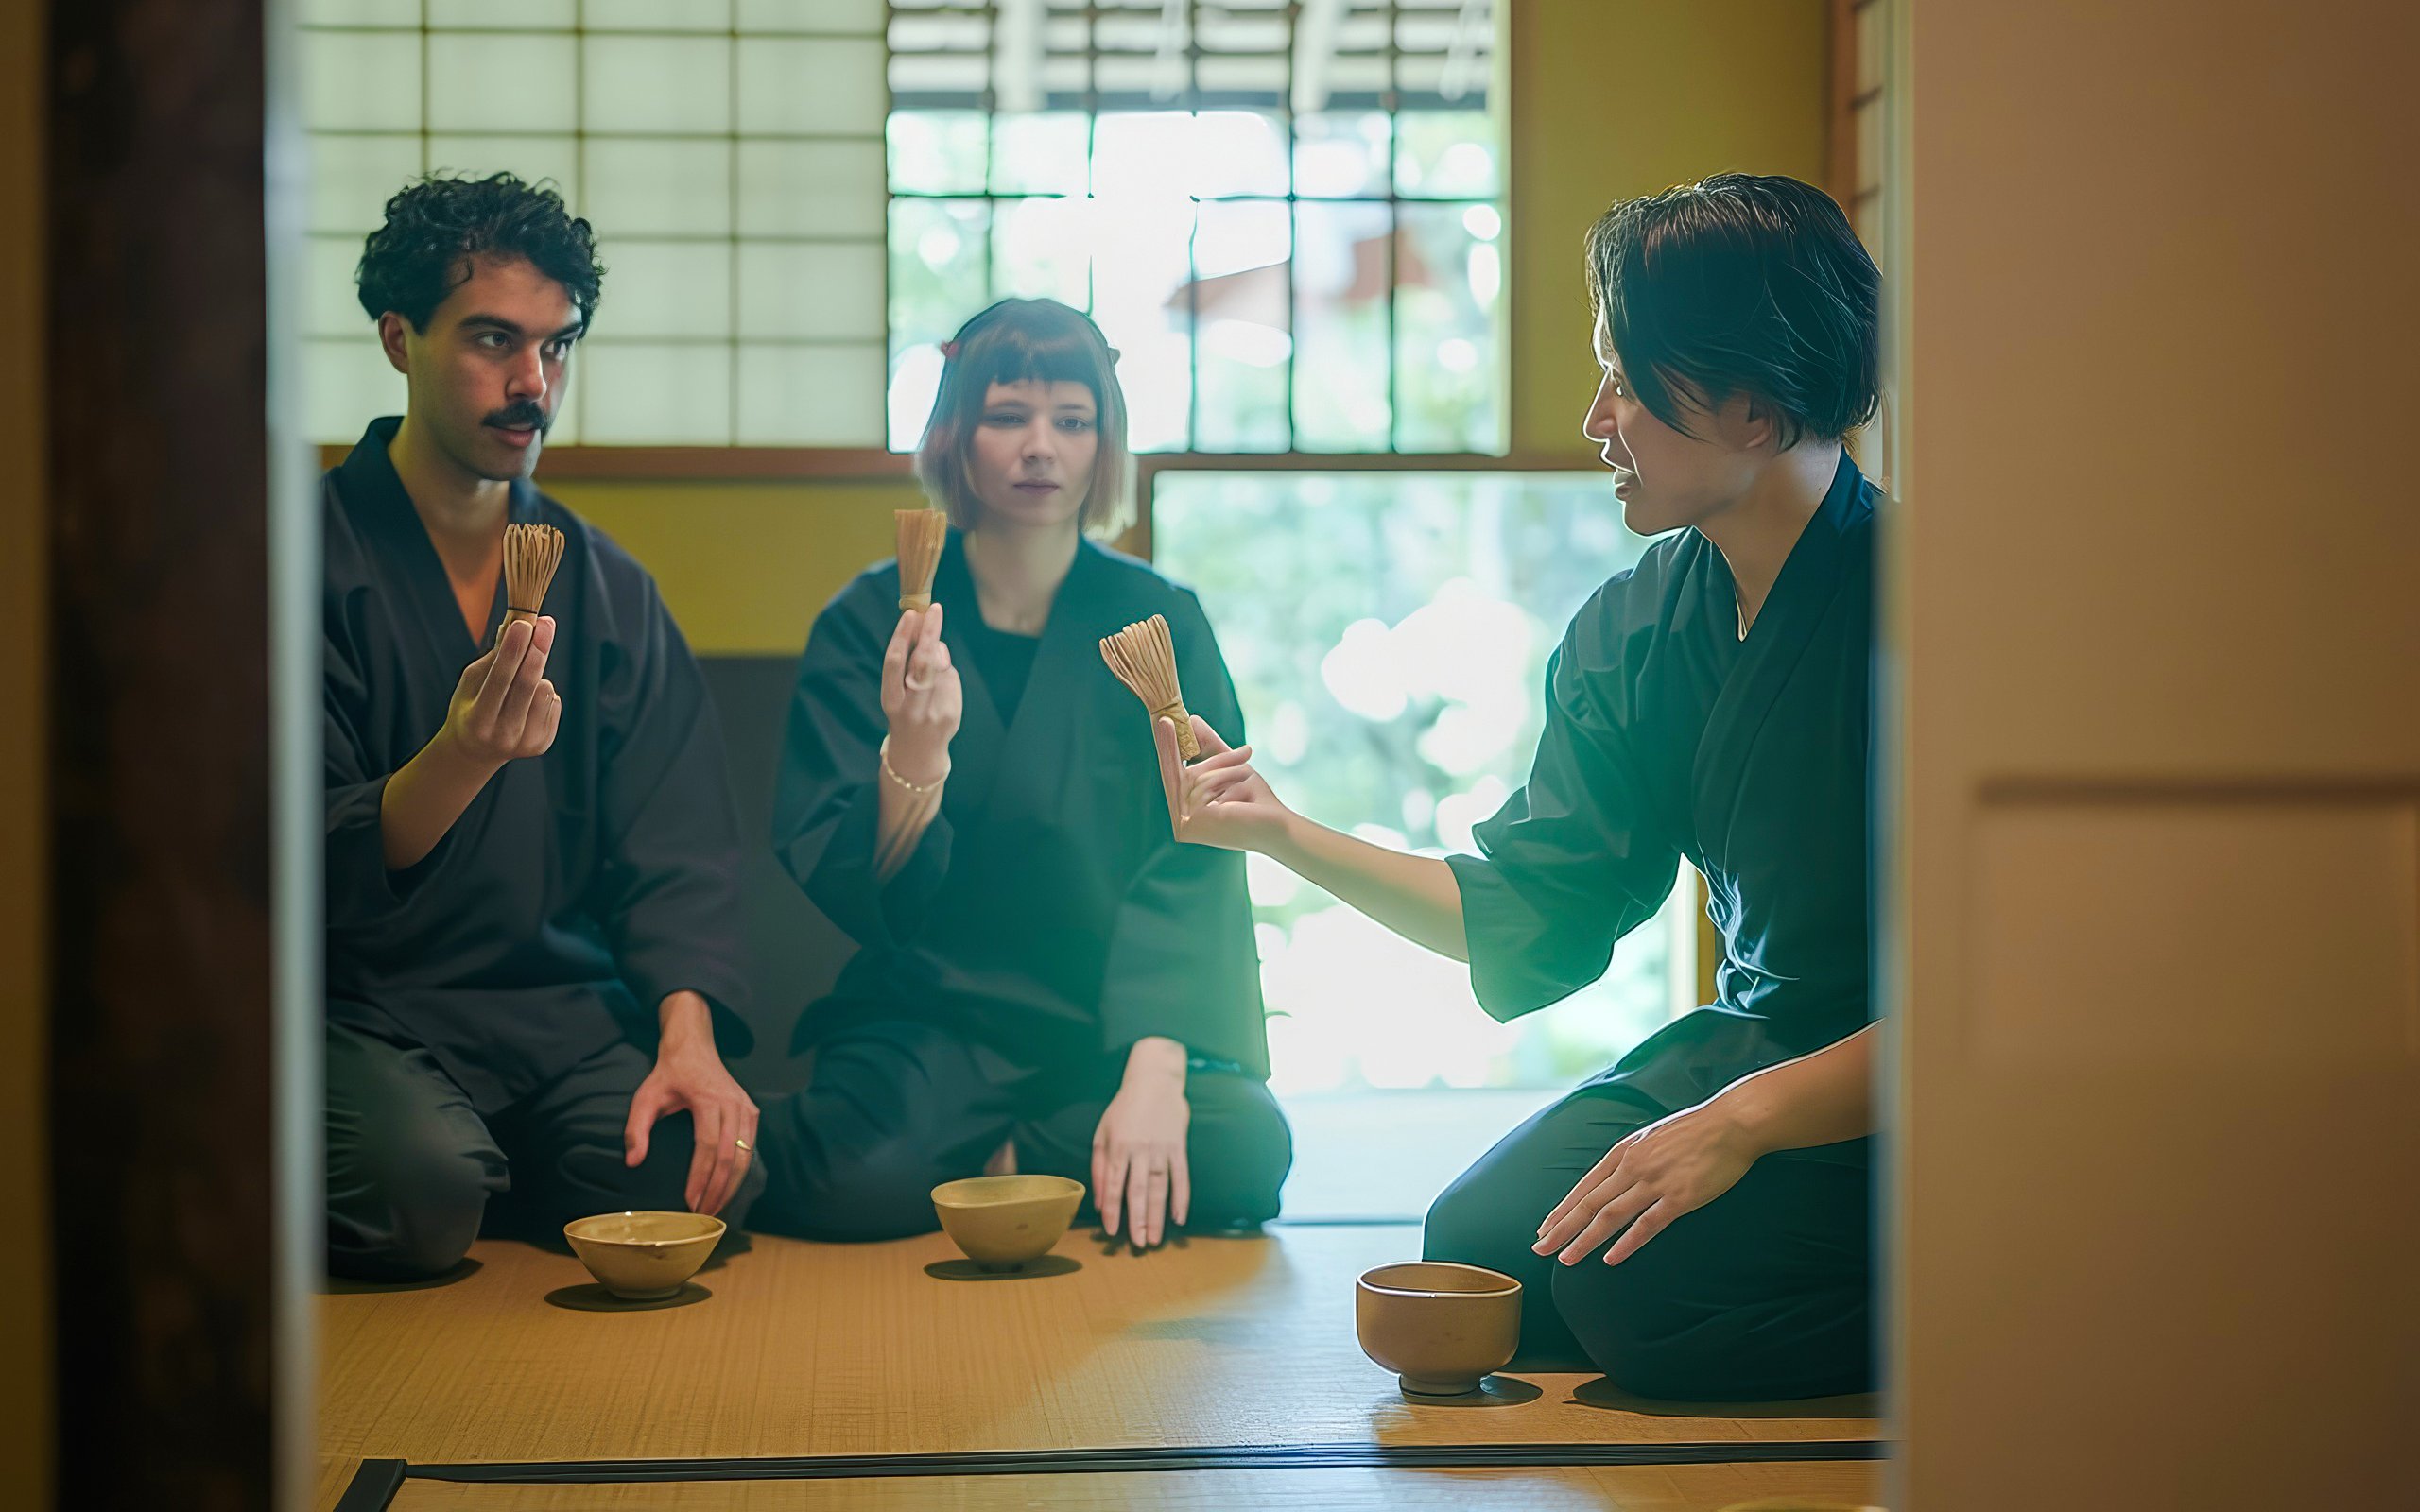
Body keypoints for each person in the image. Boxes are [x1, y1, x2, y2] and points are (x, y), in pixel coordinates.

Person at [1152, 175, 1882, 1398]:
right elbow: (1537, 915)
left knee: (1633, 1297)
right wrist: (1282, 835)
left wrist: (1740, 1124)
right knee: (1487, 1246)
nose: (1600, 419)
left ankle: (1977, 1296)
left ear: (1757, 406)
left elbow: (2017, 994)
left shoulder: (1939, 609)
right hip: (1757, 1046)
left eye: (1630, 383)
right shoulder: (1640, 627)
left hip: (1922, 1081)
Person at [752, 299, 1290, 1250]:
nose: (1040, 447)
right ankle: (1043, 1162)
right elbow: (844, 866)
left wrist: (1157, 1069)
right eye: (1008, 417)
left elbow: (1200, 850)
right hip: (934, 1021)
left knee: (1245, 1148)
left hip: (1107, 1024)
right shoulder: (872, 617)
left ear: (1101, 441)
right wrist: (911, 760)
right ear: (957, 435)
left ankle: (993, 1165)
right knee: (845, 1169)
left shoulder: (1159, 619)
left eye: (1071, 421)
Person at [324, 173, 762, 1280]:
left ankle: (503, 1162)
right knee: (413, 1189)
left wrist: (688, 1039)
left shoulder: (606, 585)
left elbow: (680, 852)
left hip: (556, 1011)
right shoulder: (301, 563)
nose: (533, 384)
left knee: (703, 1171)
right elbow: (291, 855)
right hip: (365, 1010)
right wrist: (461, 757)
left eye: (557, 347)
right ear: (398, 338)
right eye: (492, 341)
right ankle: (458, 1164)